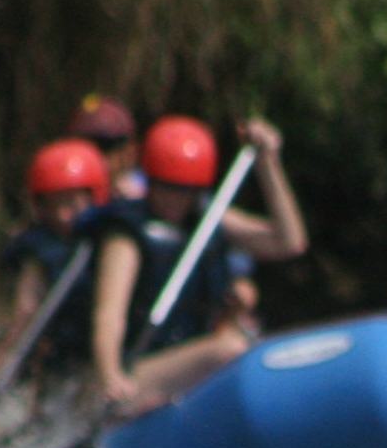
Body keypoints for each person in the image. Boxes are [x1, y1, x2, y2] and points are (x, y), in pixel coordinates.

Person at [90, 116, 308, 417]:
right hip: (132, 371)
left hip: (185, 364)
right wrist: (110, 374)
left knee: (243, 346)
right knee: (227, 349)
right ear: (151, 180)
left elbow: (288, 242)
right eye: (167, 188)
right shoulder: (126, 234)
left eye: (185, 190)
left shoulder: (207, 218)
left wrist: (268, 162)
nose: (175, 201)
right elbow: (108, 314)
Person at [0, 138, 112, 389]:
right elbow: (24, 312)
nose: (63, 215)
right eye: (55, 204)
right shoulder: (37, 251)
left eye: (72, 203)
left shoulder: (113, 241)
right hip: (50, 357)